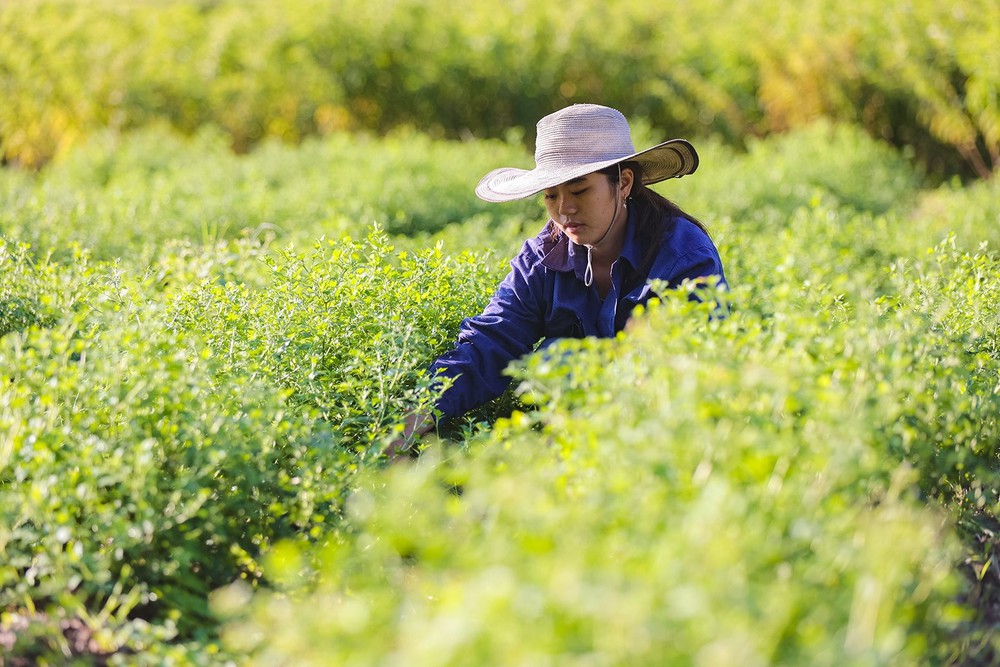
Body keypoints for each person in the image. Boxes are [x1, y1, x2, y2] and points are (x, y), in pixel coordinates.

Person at [386, 103, 727, 458]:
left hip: (670, 442)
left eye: (579, 191)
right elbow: (489, 343)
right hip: (575, 438)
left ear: (623, 183)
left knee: (562, 360)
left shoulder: (682, 254)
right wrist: (407, 421)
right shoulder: (542, 258)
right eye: (551, 195)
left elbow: (693, 368)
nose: (564, 210)